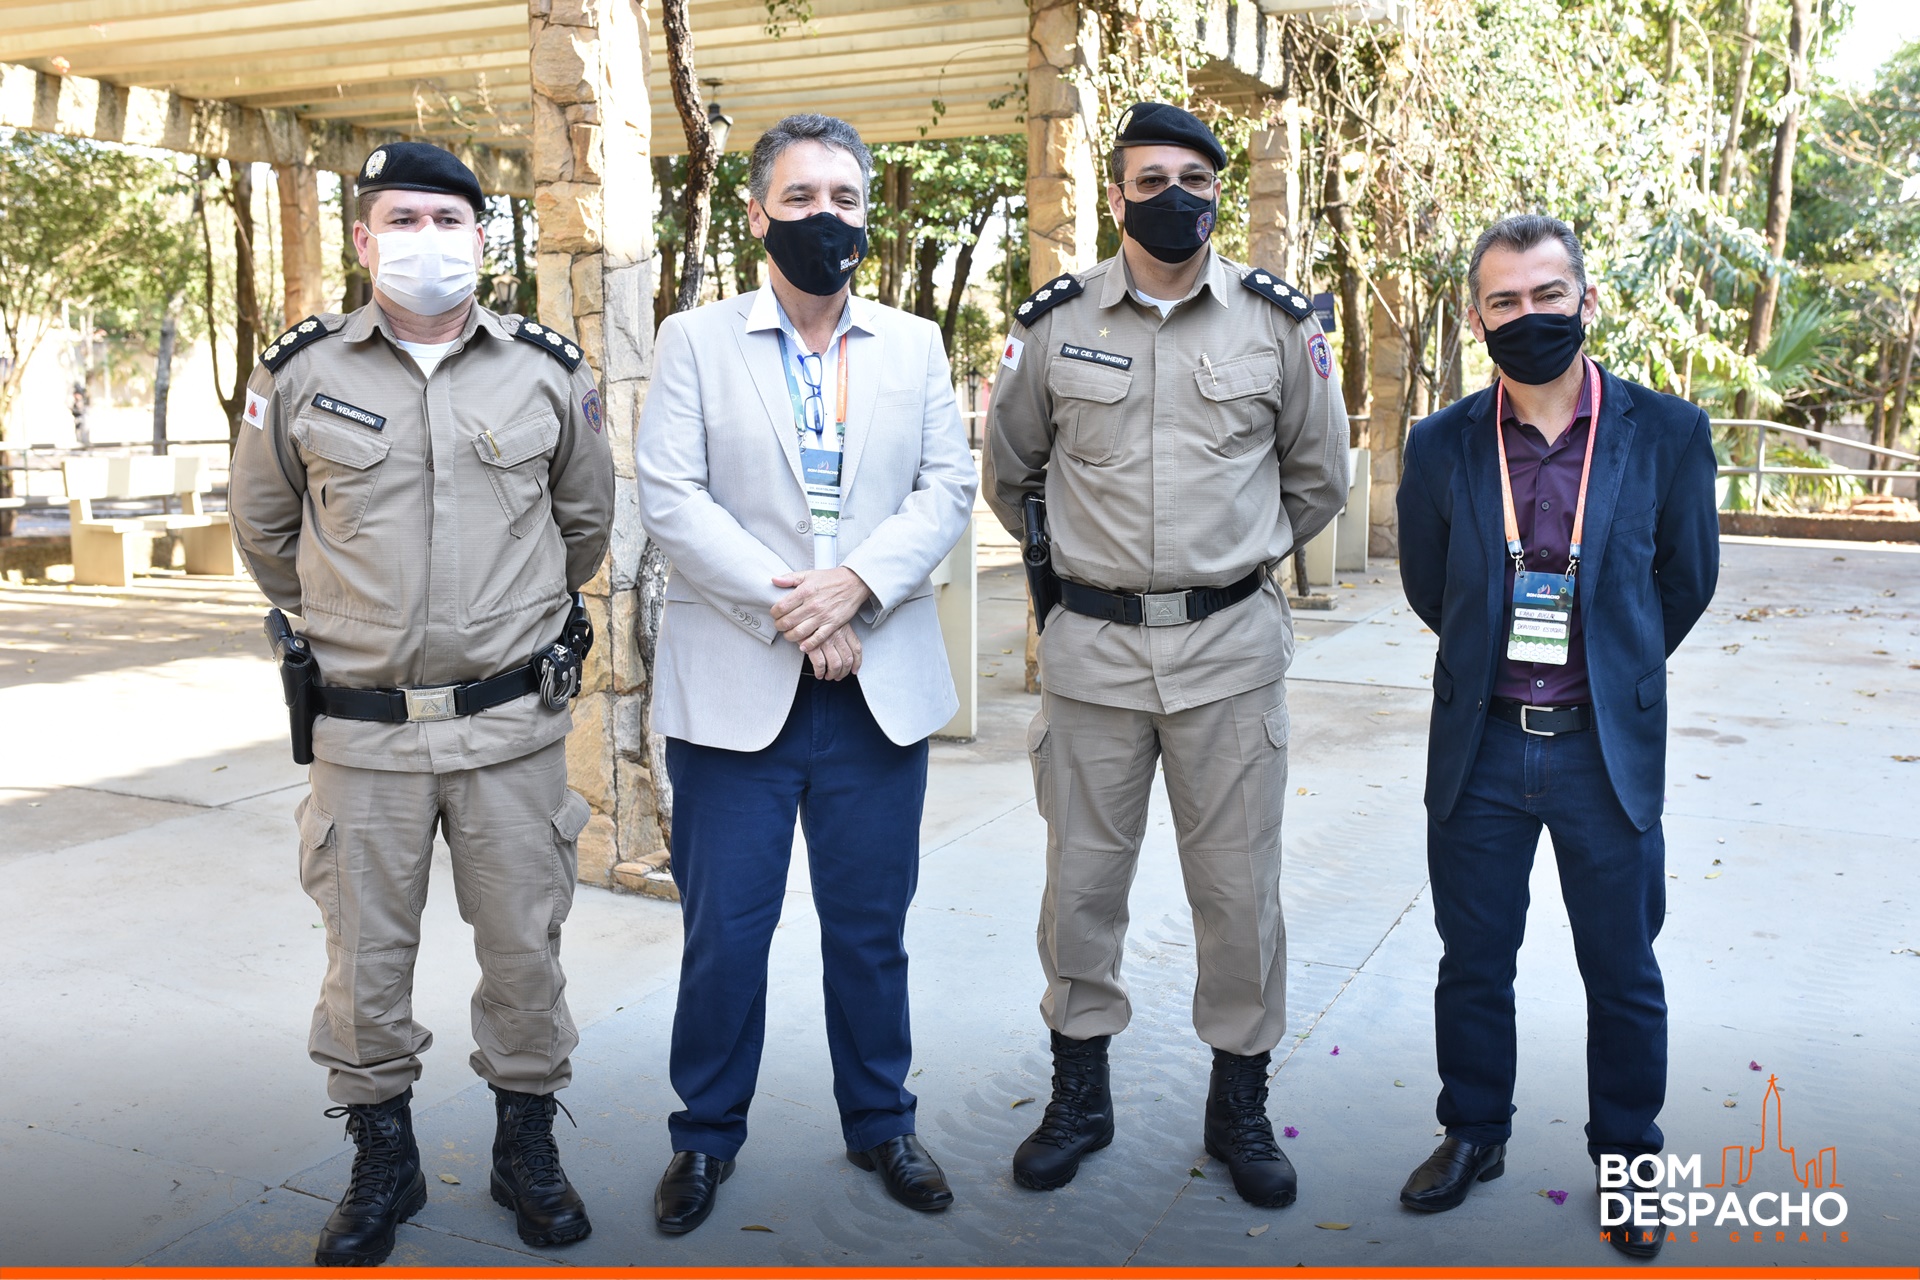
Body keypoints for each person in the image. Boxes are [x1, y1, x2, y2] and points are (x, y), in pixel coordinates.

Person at [229, 141, 613, 1267]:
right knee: (364, 963)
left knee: (525, 952)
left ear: (481, 239)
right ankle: (382, 1158)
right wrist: (353, 621)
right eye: (402, 220)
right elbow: (265, 529)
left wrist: (506, 623)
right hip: (362, 732)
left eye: (448, 221)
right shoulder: (298, 373)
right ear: (364, 239)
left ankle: (525, 1149)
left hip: (508, 730)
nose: (426, 241)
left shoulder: (544, 371)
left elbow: (584, 525)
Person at [982, 102, 1351, 1210]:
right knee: (1081, 889)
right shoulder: (1054, 325)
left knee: (1239, 892)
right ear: (1116, 196)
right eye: (1150, 180)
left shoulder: (1277, 325)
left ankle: (1239, 1102)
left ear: (1216, 192)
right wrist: (1079, 580)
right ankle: (1079, 1095)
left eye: (1194, 179)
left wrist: (1228, 564)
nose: (1173, 197)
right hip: (1093, 656)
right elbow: (1012, 472)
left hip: (1230, 656)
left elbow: (1317, 477)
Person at [634, 113, 977, 1235]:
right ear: (756, 215)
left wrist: (856, 587)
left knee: (870, 930)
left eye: (843, 198)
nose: (823, 217)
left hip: (876, 689)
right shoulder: (694, 340)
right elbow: (672, 496)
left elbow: (946, 488)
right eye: (799, 198)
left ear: (865, 213)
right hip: (739, 688)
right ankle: (703, 1136)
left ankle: (882, 1119)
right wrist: (800, 607)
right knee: (726, 934)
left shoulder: (915, 344)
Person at [1393, 214, 1719, 1259]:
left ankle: (1627, 1159)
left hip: (1601, 751)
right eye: (1504, 301)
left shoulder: (1666, 433)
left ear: (1586, 299)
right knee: (1473, 960)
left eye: (1547, 294)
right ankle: (1473, 1131)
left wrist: (1611, 665)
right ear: (1476, 317)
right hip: (1482, 746)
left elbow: (1685, 580)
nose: (1527, 315)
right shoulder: (1440, 443)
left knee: (1622, 970)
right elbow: (1431, 586)